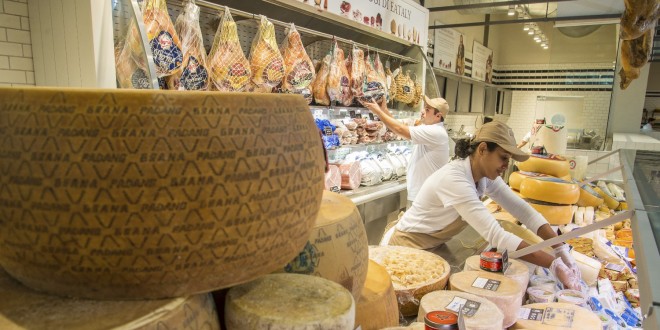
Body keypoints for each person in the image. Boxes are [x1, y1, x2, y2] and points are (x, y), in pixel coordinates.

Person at [383, 121, 582, 290]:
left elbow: (523, 211)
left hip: (433, 243)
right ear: (483, 149)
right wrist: (553, 265)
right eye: (503, 158)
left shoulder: (485, 177)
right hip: (406, 245)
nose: (506, 165)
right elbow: (497, 236)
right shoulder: (455, 179)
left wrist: (559, 248)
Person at [361, 95, 450, 207]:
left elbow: (400, 129)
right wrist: (385, 111)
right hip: (422, 195)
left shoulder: (436, 132)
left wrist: (378, 112)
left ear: (438, 115)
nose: (422, 112)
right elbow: (400, 127)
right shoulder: (431, 129)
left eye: (427, 110)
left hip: (425, 198)